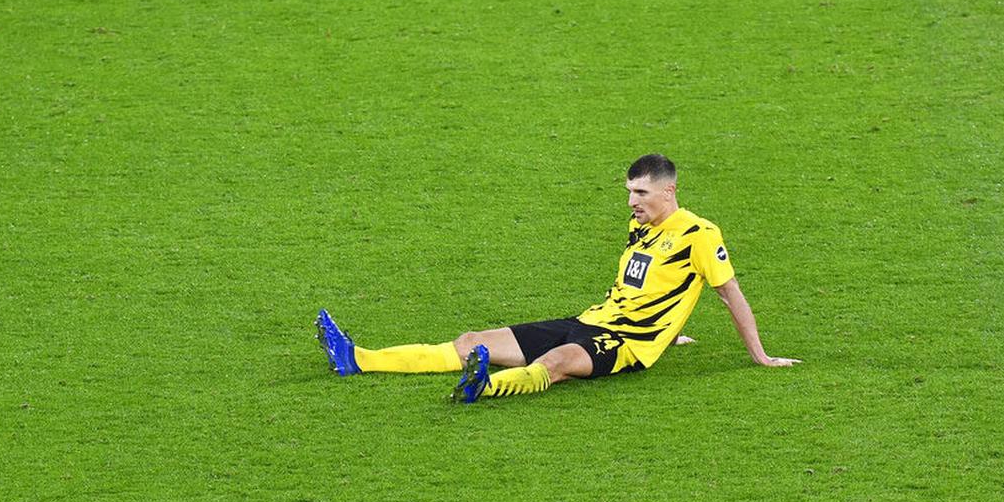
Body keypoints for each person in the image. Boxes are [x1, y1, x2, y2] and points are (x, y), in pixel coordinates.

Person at [316, 153, 799, 403]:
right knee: (470, 339)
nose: (632, 201)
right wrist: (672, 331)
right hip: (590, 319)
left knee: (560, 361)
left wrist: (759, 356)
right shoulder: (641, 224)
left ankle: (482, 388)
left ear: (669, 191)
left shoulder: (699, 233)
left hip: (627, 344)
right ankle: (357, 359)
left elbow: (729, 294)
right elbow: (642, 285)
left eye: (640, 192)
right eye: (629, 191)